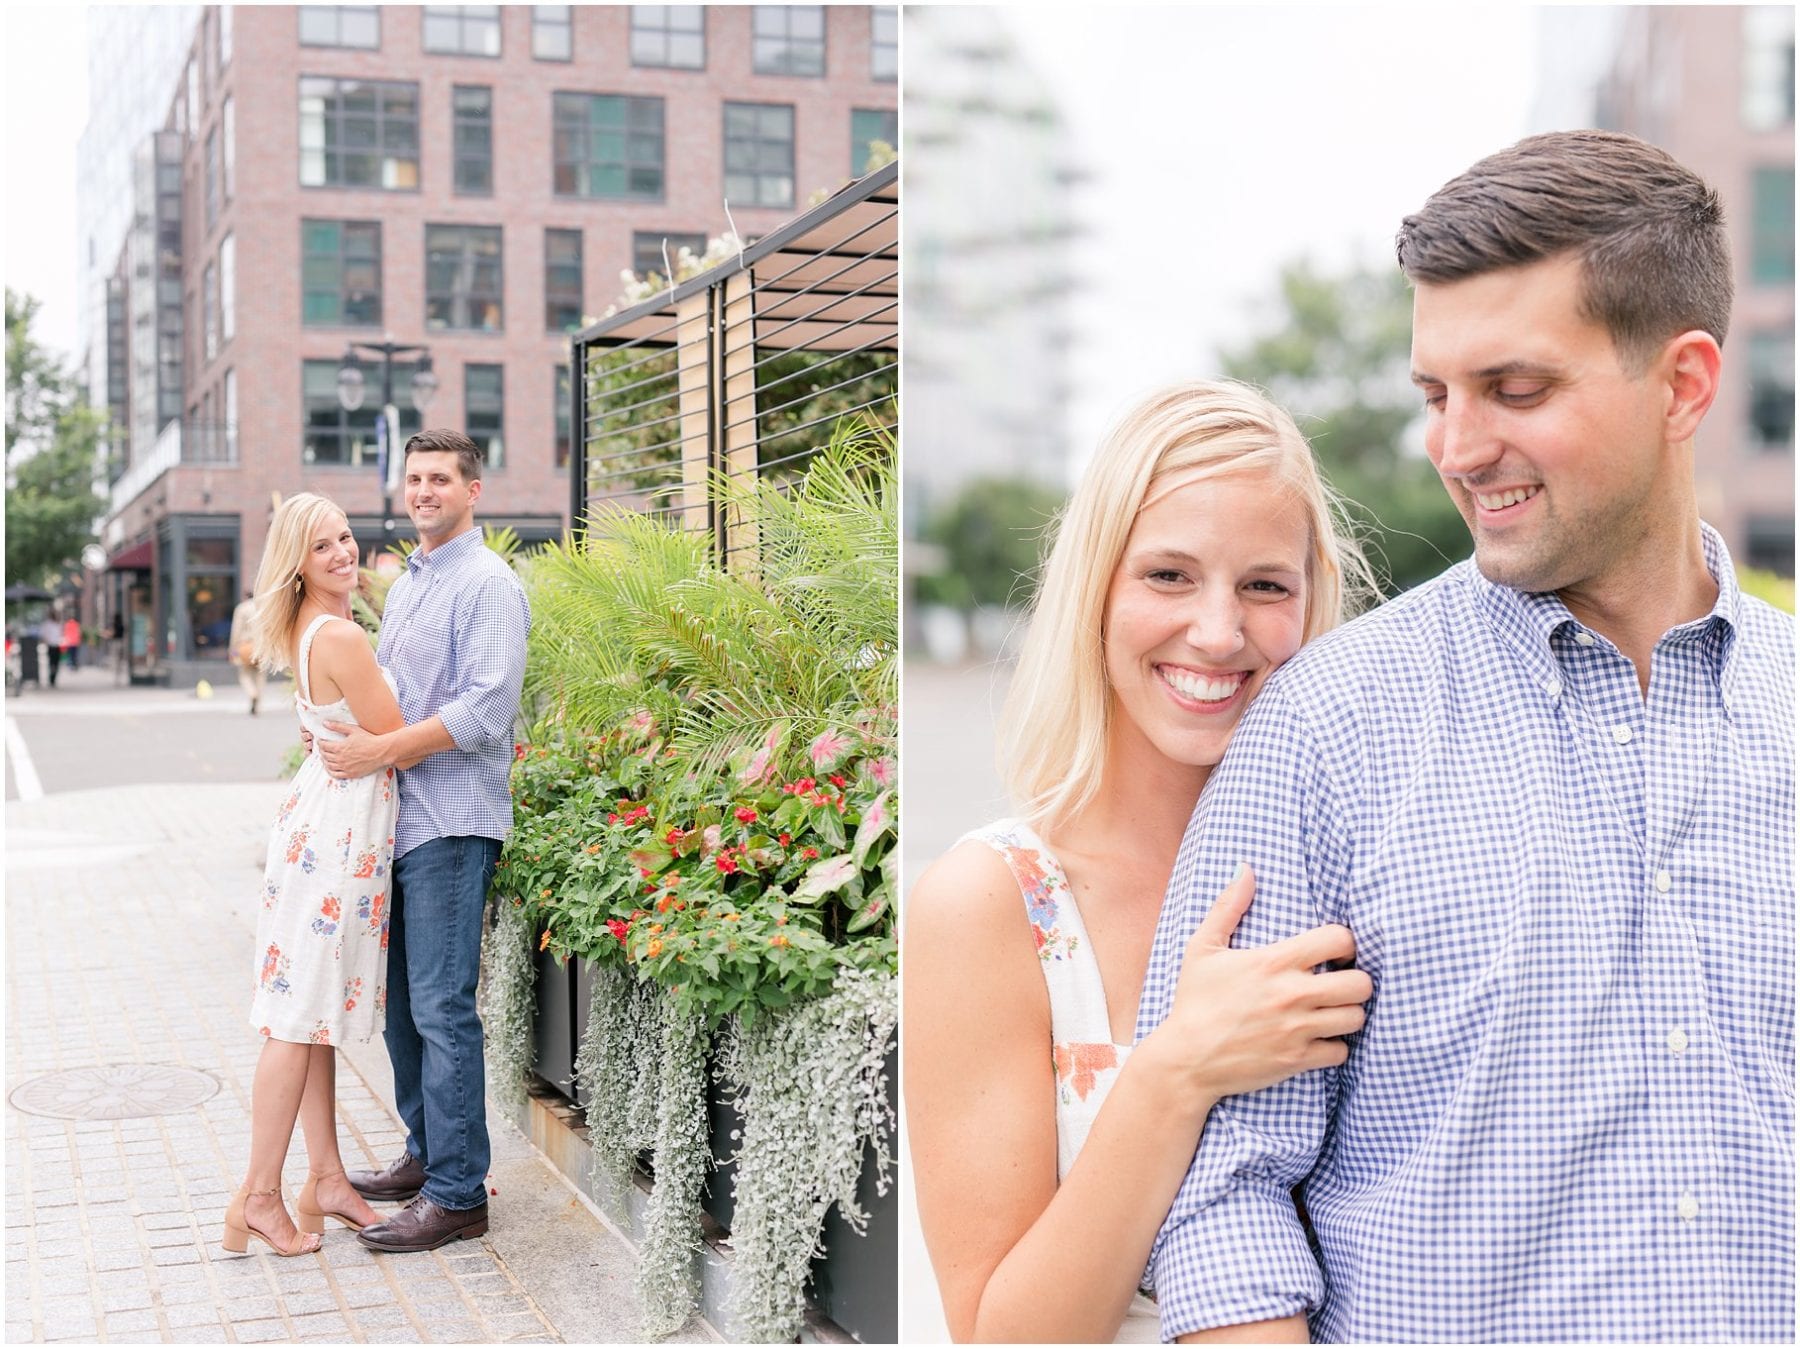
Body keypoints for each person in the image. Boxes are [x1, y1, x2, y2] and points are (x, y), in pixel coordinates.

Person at [1138, 130, 1794, 1344]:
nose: (1455, 447)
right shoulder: (1326, 729)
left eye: (1516, 389)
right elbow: (1218, 1186)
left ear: (1686, 385)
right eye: (1436, 394)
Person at [905, 381, 1378, 1342]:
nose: (1217, 630)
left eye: (1263, 584)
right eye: (1168, 575)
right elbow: (1000, 1333)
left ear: (1309, 598)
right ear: (1097, 589)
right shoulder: (992, 905)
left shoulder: (1358, 876)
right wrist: (1177, 1070)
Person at [315, 428, 530, 1254]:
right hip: (398, 820)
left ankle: (457, 1193)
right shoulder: (408, 583)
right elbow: (393, 694)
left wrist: (381, 750)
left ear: (474, 489)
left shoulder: (487, 583)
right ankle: (426, 1153)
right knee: (404, 1006)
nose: (424, 490)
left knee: (442, 1009)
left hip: (451, 822)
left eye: (440, 478)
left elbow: (485, 711)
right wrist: (340, 733)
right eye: (414, 478)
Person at [226, 492, 404, 1256]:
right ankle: (259, 1195)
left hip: (317, 823)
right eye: (324, 545)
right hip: (337, 837)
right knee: (297, 1018)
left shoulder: (309, 628)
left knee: (312, 1014)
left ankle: (326, 1178)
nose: (343, 552)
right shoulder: (340, 636)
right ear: (298, 562)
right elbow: (400, 733)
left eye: (347, 536)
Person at [229, 590, 266, 714]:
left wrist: (232, 649)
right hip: (261, 646)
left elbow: (236, 630)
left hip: (245, 645)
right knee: (260, 675)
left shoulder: (241, 608)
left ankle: (252, 693)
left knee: (244, 674)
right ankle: (258, 703)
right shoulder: (262, 607)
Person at [37, 612, 63, 687]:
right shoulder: (47, 624)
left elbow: (60, 634)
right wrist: (46, 641)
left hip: (57, 645)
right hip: (51, 646)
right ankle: (51, 679)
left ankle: (54, 679)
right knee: (51, 663)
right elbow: (42, 634)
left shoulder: (58, 624)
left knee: (56, 663)